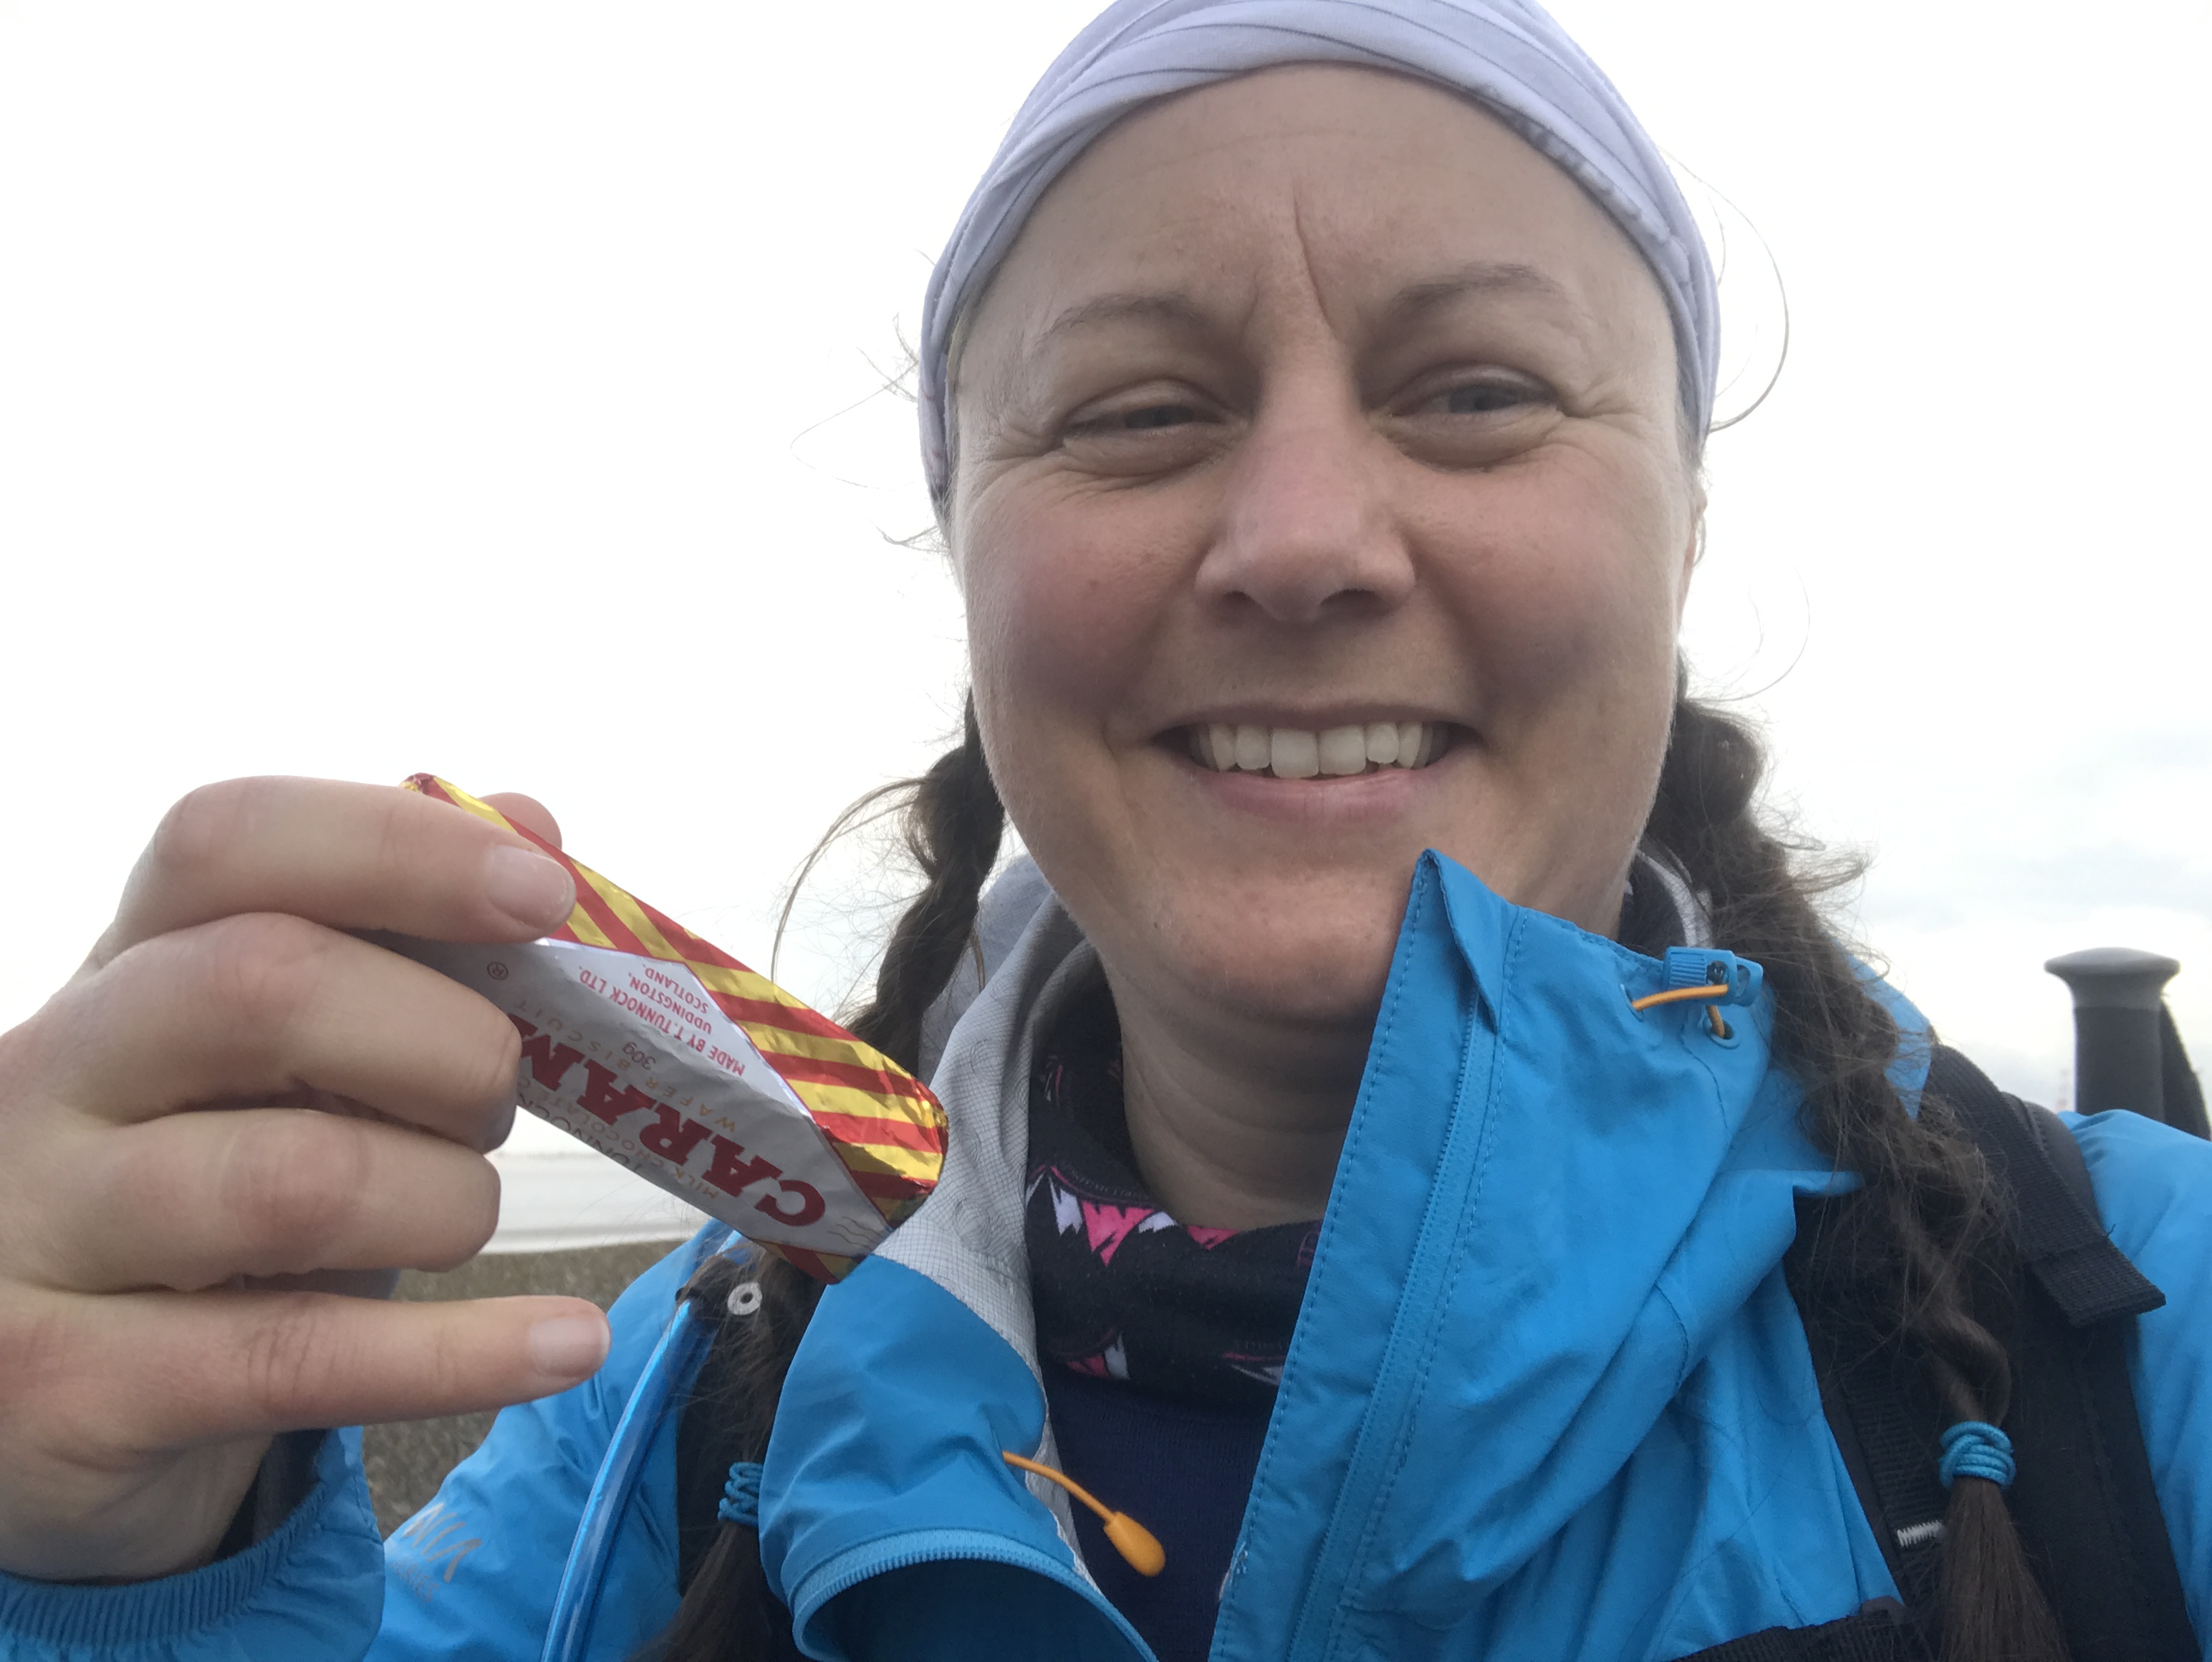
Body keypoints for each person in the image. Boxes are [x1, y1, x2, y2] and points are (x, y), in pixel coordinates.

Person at [0, 1, 2206, 1659]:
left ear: (1686, 527)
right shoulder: (676, 1401)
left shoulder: (2133, 1318)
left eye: (1477, 393)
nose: (1306, 539)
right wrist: (110, 1552)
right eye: (1139, 412)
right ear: (965, 555)